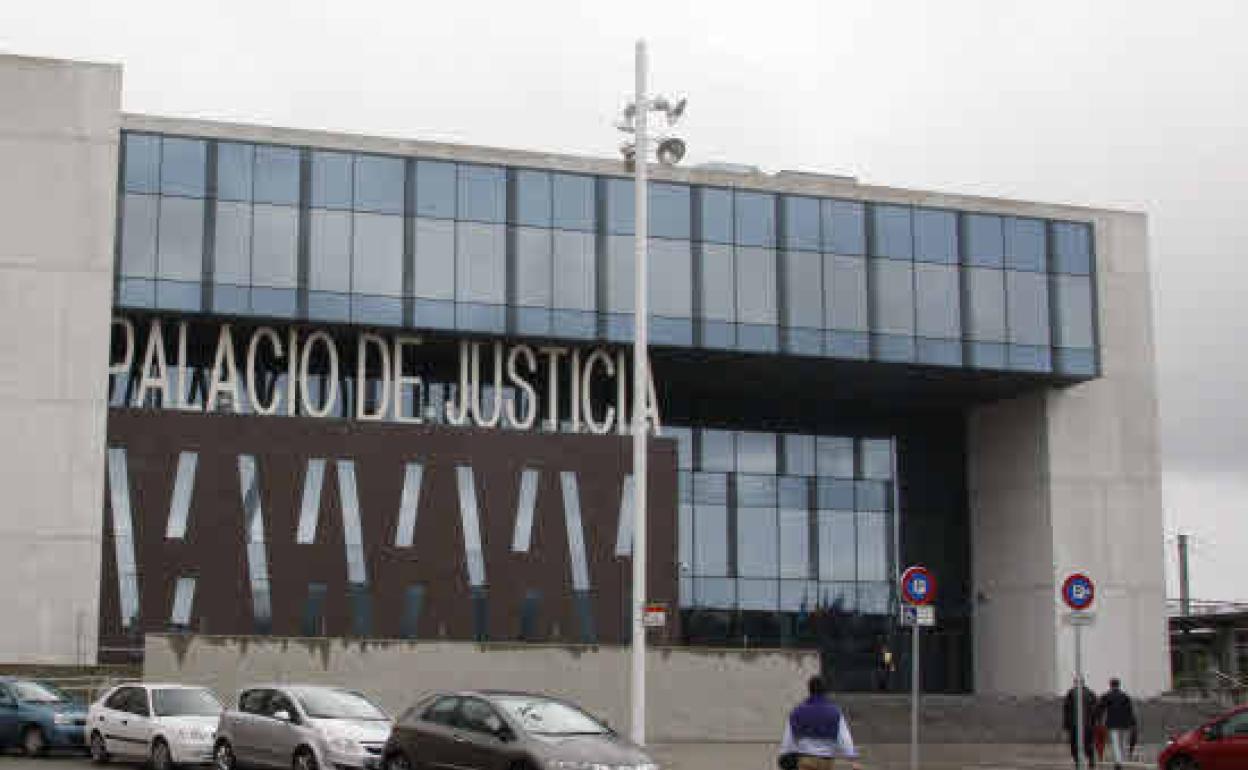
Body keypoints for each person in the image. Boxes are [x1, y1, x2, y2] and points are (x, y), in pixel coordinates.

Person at [778, 676, 861, 770]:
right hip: (826, 761)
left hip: (806, 759)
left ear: (809, 689)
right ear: (825, 690)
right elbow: (844, 737)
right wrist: (852, 758)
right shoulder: (834, 712)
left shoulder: (797, 712)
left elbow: (789, 737)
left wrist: (784, 754)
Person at [1098, 677, 1137, 770]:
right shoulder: (1125, 696)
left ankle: (1118, 762)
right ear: (1119, 685)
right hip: (1125, 723)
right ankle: (1121, 760)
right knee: (1123, 743)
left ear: (1110, 685)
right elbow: (1130, 711)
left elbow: (1100, 709)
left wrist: (1098, 720)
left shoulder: (1107, 696)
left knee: (1115, 743)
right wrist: (1133, 723)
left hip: (1112, 723)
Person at [1063, 677, 1098, 768]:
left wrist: (1066, 725)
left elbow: (1066, 710)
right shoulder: (1090, 693)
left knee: (1074, 745)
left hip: (1074, 725)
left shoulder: (1070, 693)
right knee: (1088, 744)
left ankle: (1078, 761)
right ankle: (1090, 759)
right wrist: (1095, 723)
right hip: (1088, 725)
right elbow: (1096, 709)